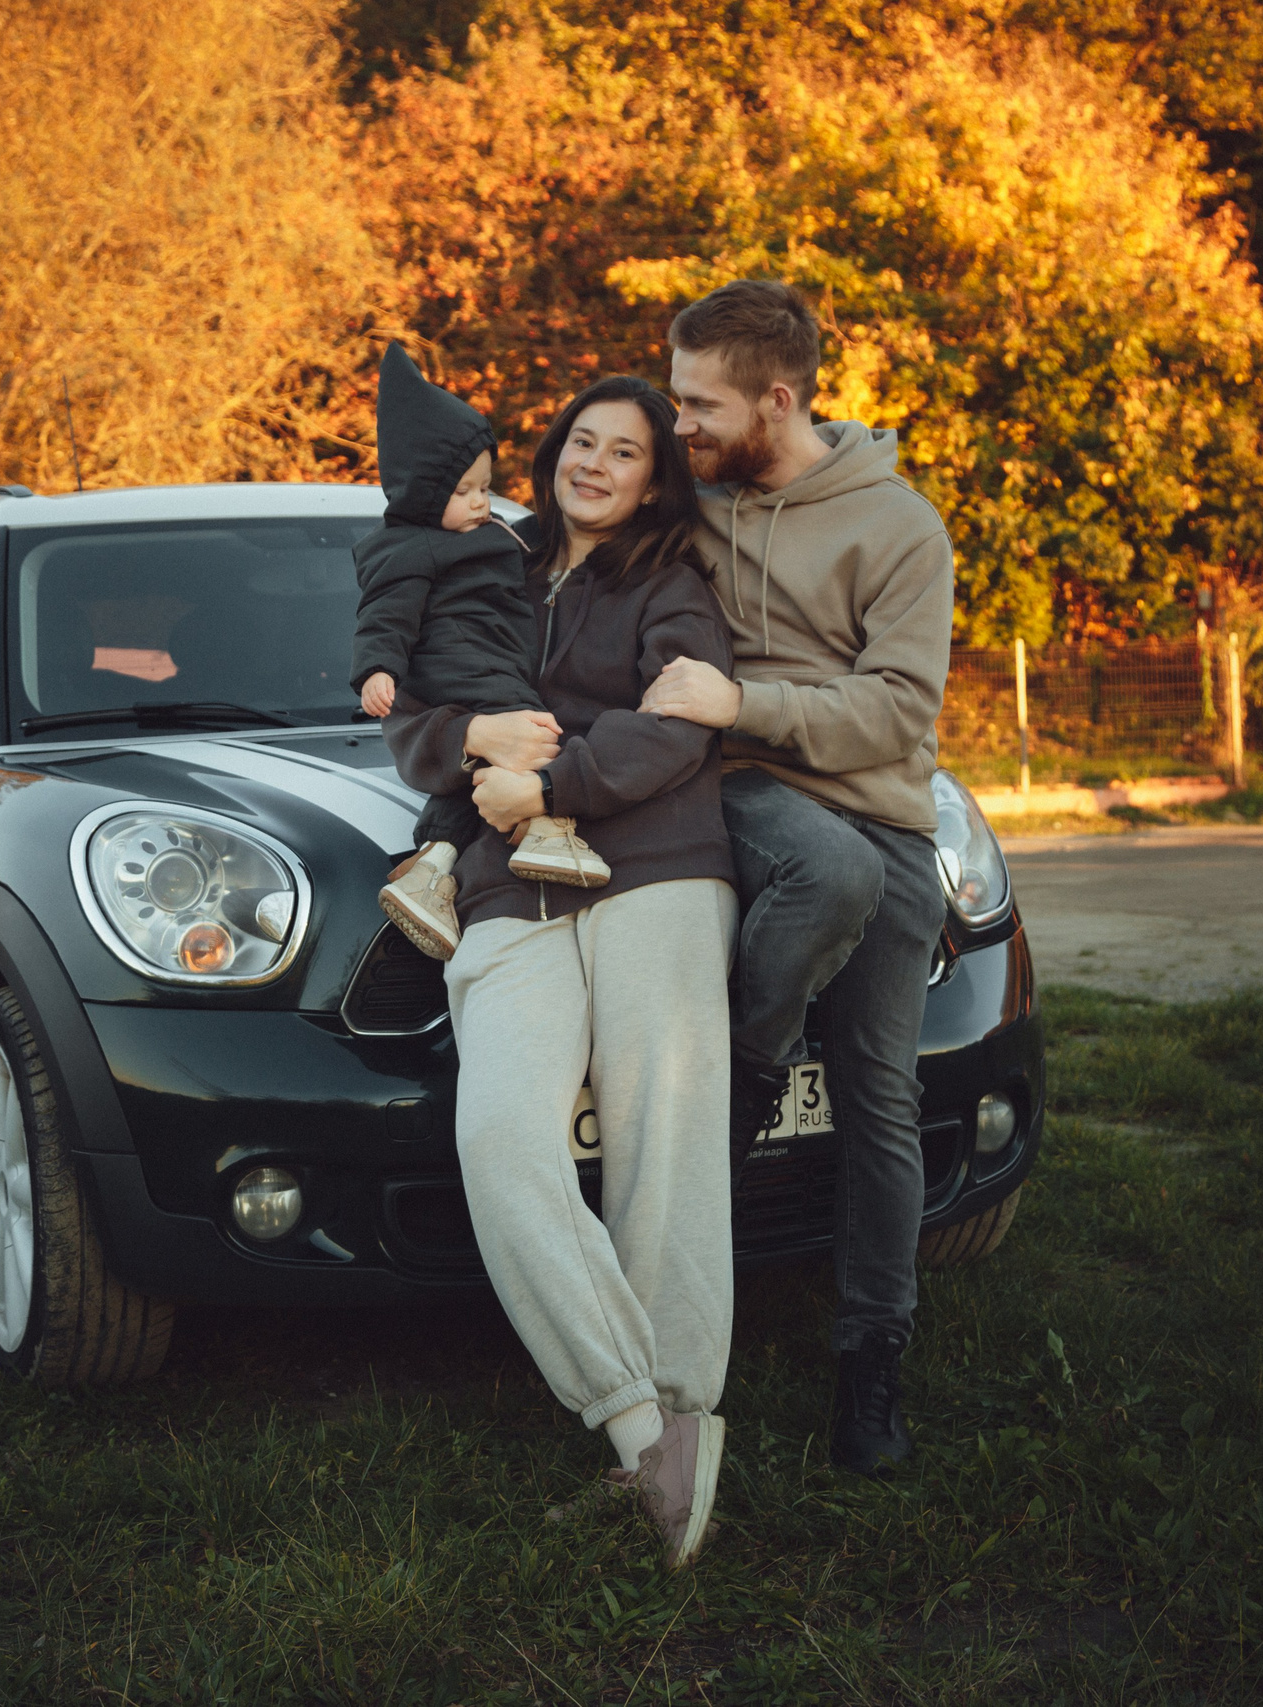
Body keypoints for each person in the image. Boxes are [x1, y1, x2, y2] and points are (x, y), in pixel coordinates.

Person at [381, 374, 738, 1569]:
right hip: (506, 884)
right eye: (581, 440)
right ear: (553, 451)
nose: (594, 463)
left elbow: (678, 724)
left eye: (624, 451)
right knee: (500, 1137)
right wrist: (470, 741)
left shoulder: (670, 583)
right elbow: (411, 714)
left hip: (656, 868)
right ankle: (640, 1426)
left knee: (662, 1135)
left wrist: (557, 781)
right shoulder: (481, 558)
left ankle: (680, 1414)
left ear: (652, 478)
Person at [638, 279, 958, 1477]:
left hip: (875, 813)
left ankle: (872, 1357)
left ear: (778, 400)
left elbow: (895, 712)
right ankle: (748, 1080)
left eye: (700, 405)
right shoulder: (695, 500)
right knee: (815, 875)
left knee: (882, 1101)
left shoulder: (900, 527)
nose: (683, 427)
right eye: (675, 403)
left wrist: (744, 703)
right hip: (744, 800)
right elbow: (583, 510)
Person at [355, 344, 610, 960]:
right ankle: (546, 829)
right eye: (464, 490)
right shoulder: (407, 549)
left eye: (486, 487)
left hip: (491, 658)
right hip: (463, 663)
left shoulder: (491, 533)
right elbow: (384, 615)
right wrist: (377, 669)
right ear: (420, 492)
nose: (480, 502)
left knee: (476, 772)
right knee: (535, 732)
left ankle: (431, 872)